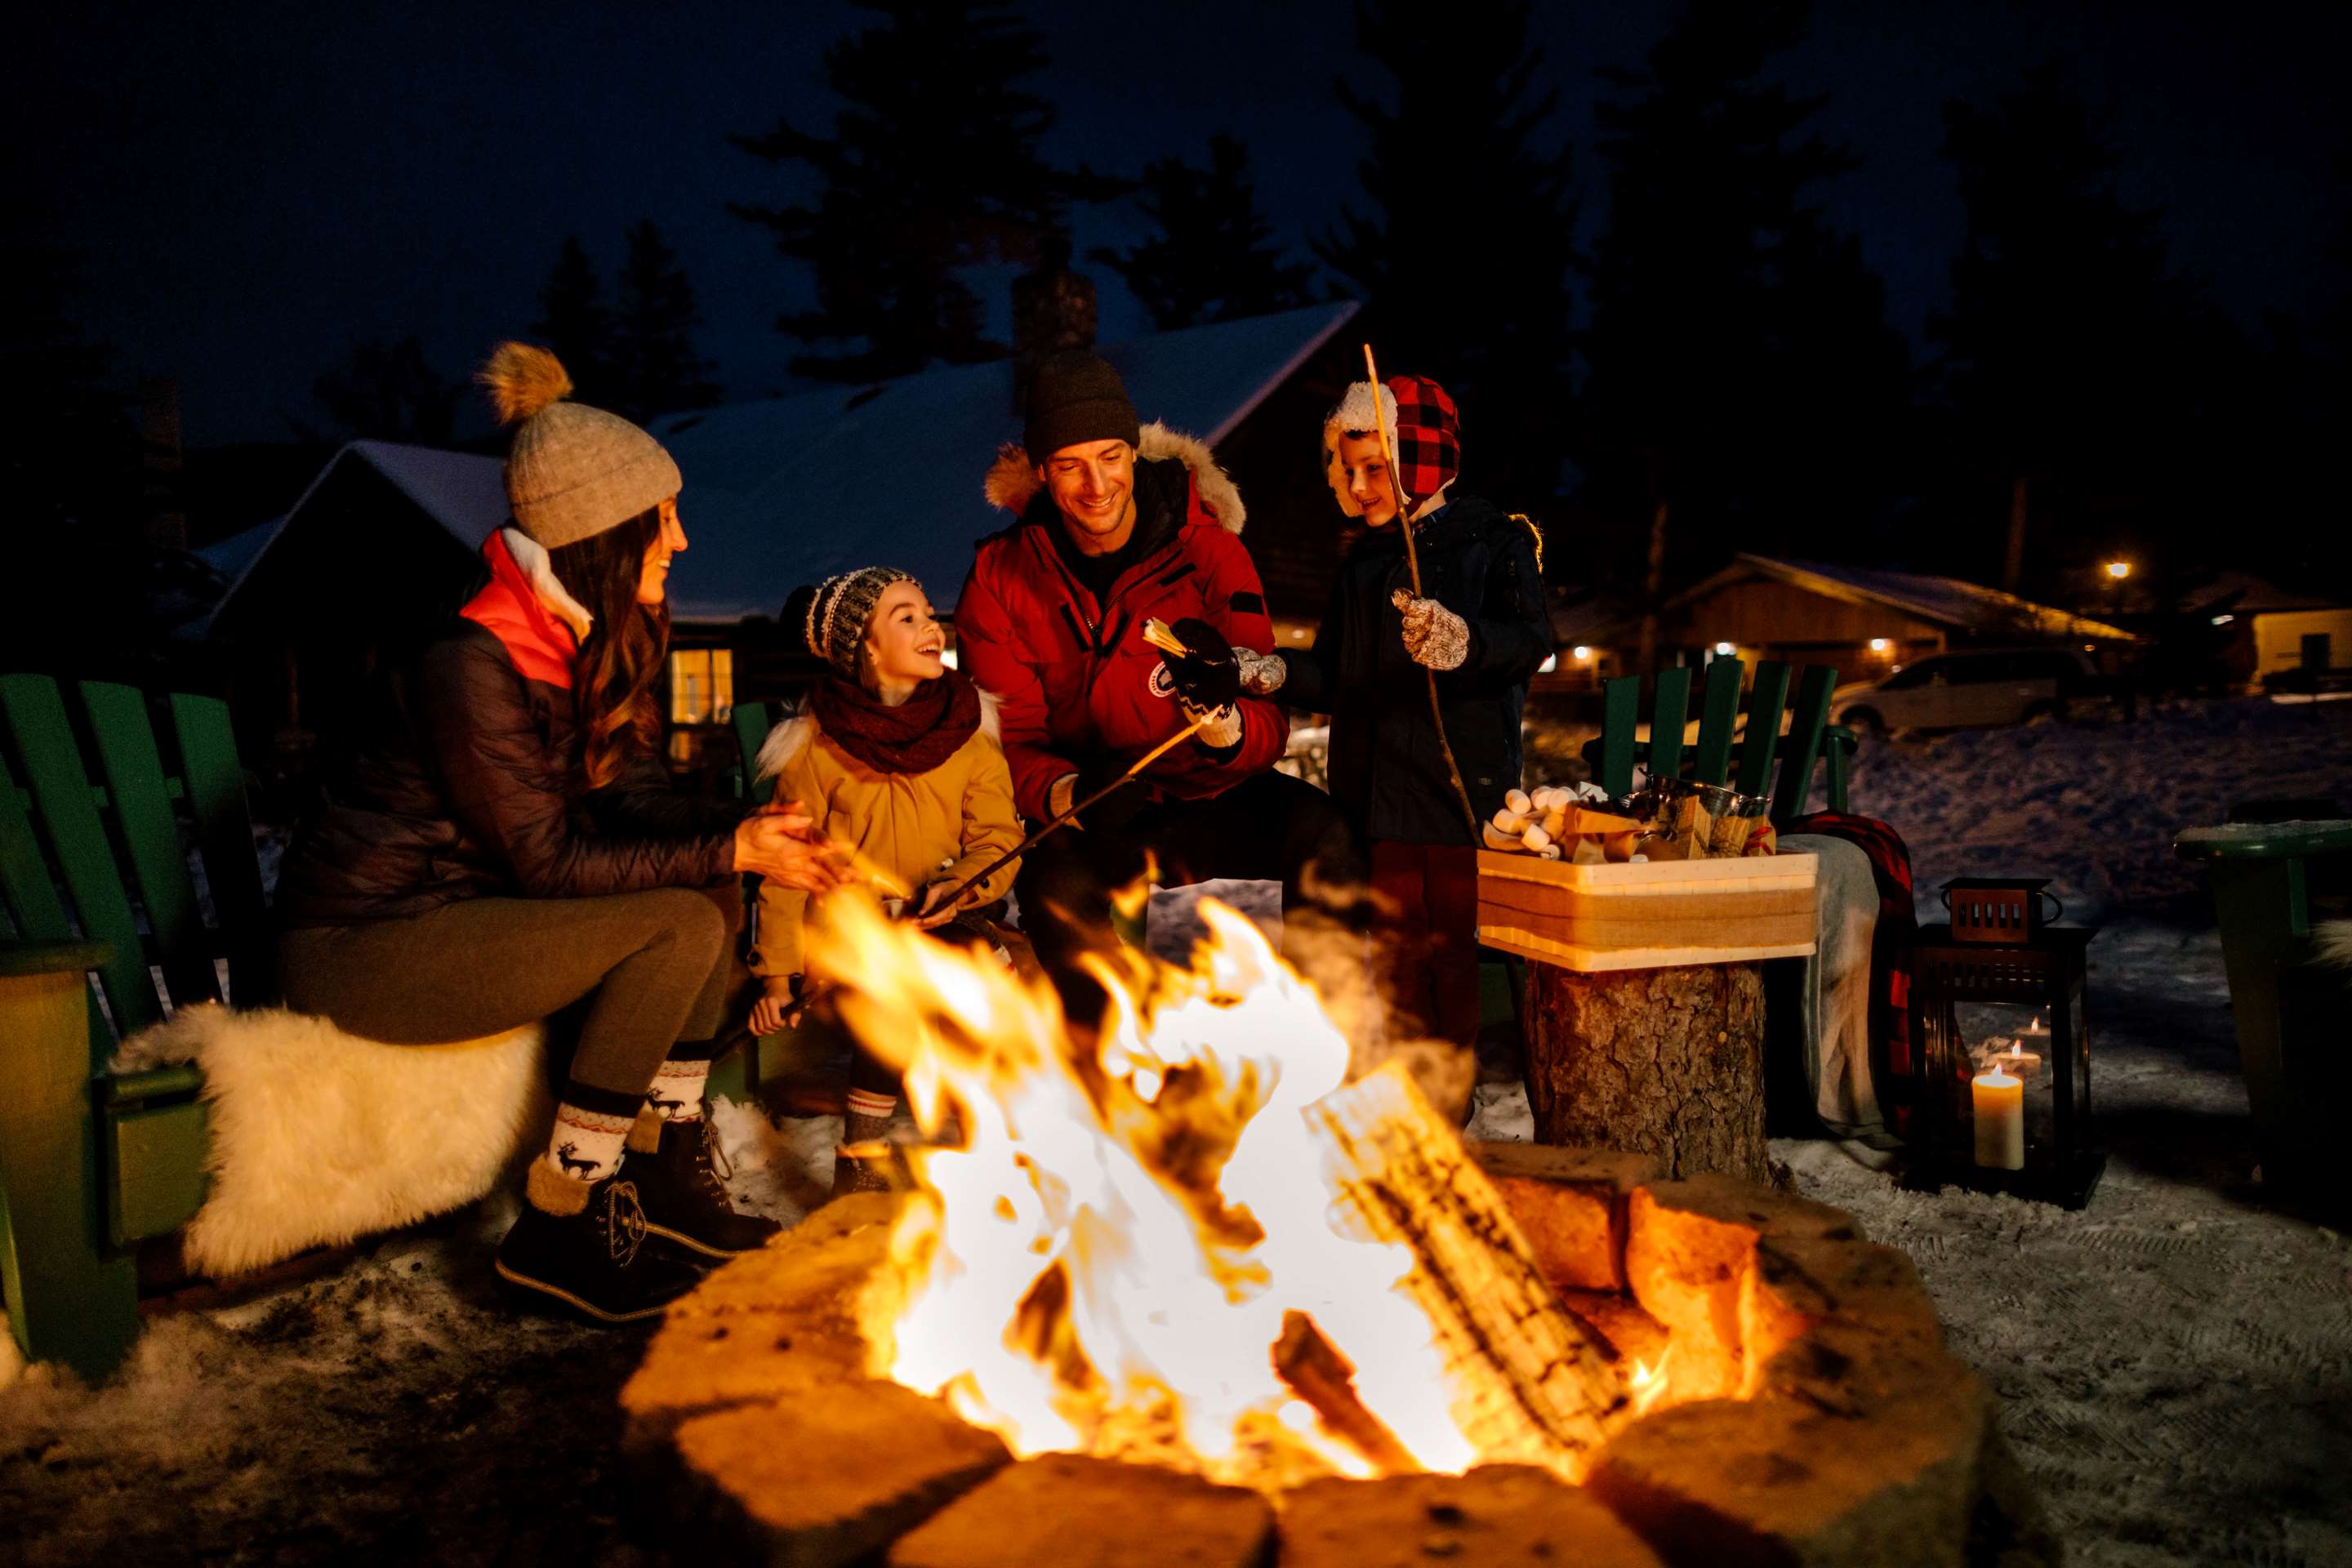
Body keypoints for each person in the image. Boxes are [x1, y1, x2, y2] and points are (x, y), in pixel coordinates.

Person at [276, 342, 848, 1322]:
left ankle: (663, 1176)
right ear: (605, 532)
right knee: (677, 918)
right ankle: (561, 1221)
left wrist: (755, 832)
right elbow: (545, 861)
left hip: (462, 919)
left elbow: (639, 803)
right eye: (661, 521)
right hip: (366, 949)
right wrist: (732, 849)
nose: (679, 541)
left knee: (708, 890)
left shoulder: (572, 641)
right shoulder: (471, 661)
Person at [955, 352, 1356, 1022]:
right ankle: (1113, 1067)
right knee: (1056, 889)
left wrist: (1227, 727)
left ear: (1135, 451)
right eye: (1069, 465)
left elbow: (1266, 711)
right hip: (1098, 804)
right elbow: (1009, 739)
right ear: (1041, 470)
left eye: (1110, 456)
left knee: (1322, 836)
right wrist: (1066, 792)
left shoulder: (1207, 549)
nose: (1095, 485)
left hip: (1212, 788)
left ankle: (1318, 1043)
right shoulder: (1002, 576)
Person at [1235, 375, 1550, 1074]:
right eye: (1349, 472)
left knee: (1447, 954)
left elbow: (1529, 640)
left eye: (1375, 468)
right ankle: (1400, 1090)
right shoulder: (1364, 564)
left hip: (1455, 797)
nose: (1361, 486)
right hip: (1371, 796)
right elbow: (1336, 673)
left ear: (1420, 461)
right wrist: (1276, 672)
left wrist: (1466, 642)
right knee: (1392, 956)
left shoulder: (1494, 544)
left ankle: (1449, 1094)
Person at [746, 567, 1022, 1197]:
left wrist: (961, 888)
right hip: (857, 934)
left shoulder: (967, 734)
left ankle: (1000, 1136)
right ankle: (861, 1158)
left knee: (972, 965)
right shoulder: (818, 750)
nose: (931, 626)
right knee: (891, 977)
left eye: (929, 612)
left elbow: (998, 840)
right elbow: (785, 869)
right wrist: (776, 976)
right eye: (907, 617)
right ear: (866, 648)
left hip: (945, 913)